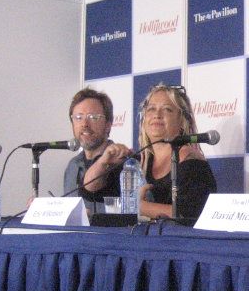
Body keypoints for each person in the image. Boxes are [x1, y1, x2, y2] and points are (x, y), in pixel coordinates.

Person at [81, 83, 217, 220]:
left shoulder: (193, 163)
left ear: (182, 121)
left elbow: (193, 214)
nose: (157, 115)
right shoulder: (137, 162)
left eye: (167, 109)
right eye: (151, 109)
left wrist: (140, 207)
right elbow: (89, 190)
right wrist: (103, 162)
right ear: (144, 118)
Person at [63, 87, 115, 213]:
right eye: (78, 117)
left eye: (93, 117)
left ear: (108, 125)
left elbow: (141, 214)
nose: (85, 124)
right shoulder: (72, 166)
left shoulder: (124, 163)